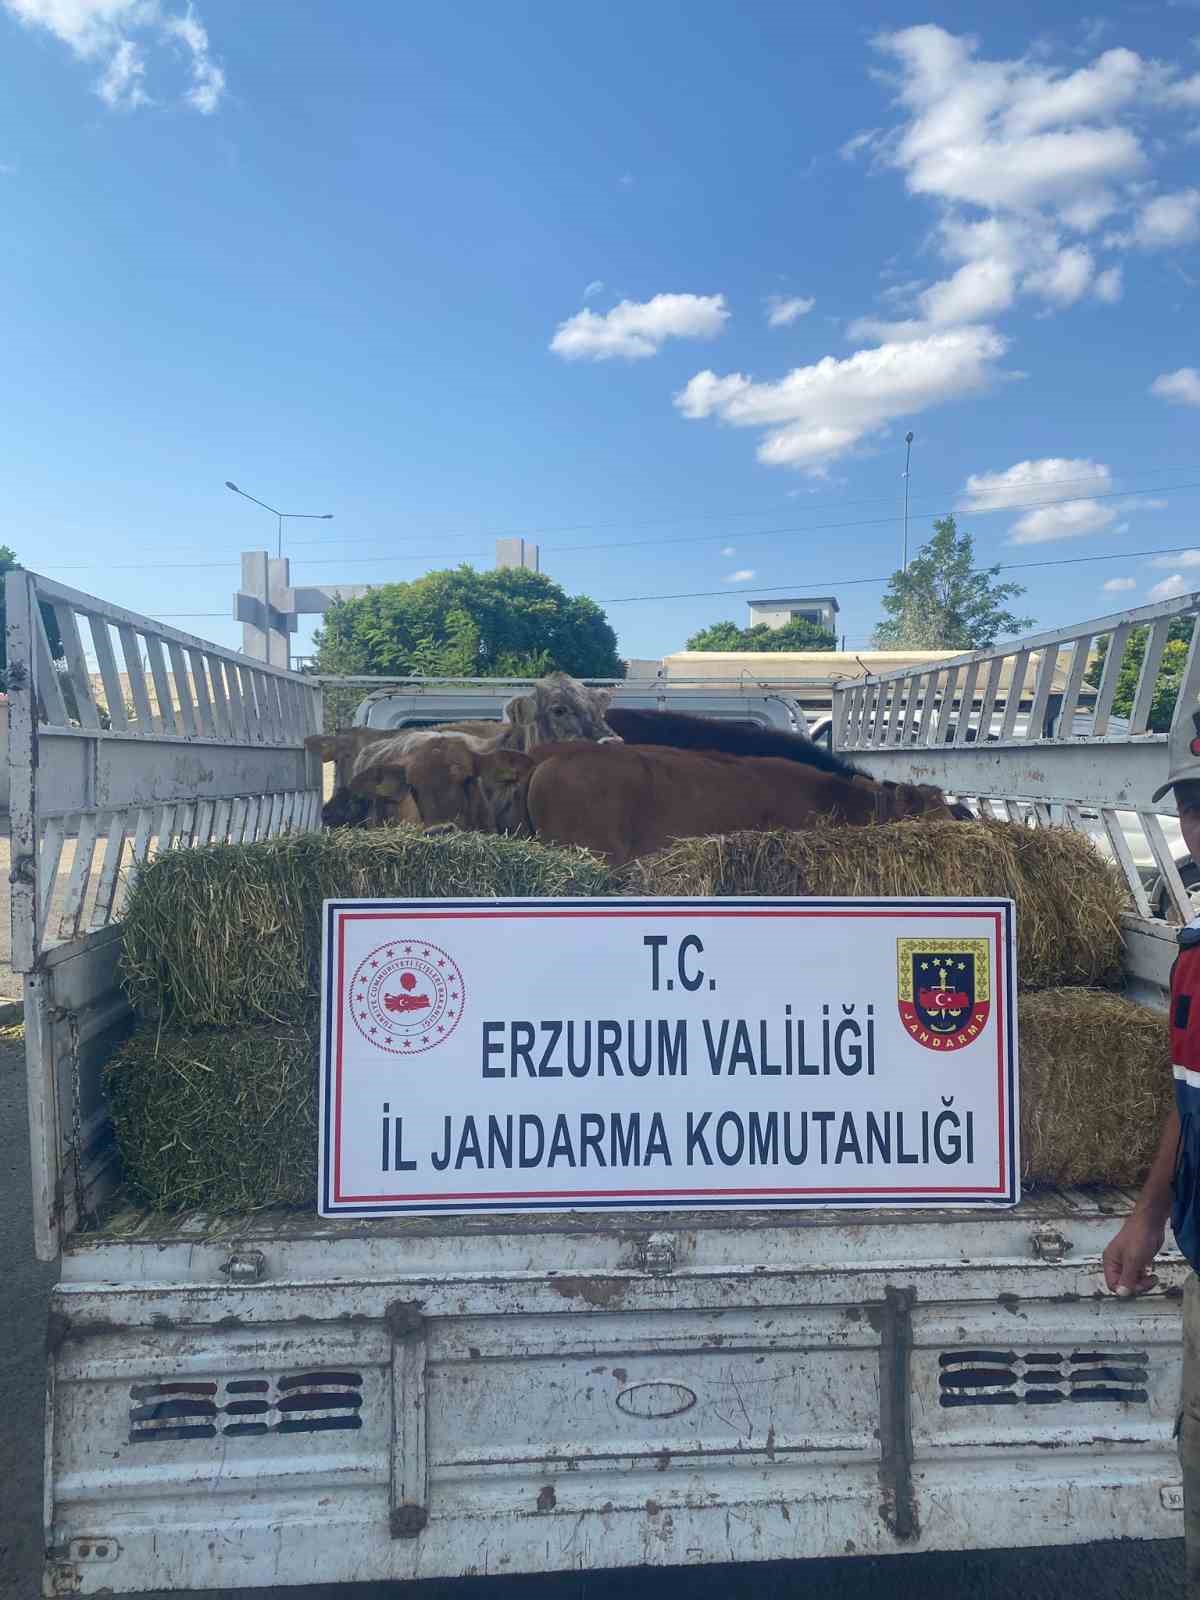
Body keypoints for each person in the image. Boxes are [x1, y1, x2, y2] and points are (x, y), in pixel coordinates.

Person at [1103, 756, 1200, 1588]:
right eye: (1194, 807)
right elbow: (1187, 1091)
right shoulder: (1192, 955)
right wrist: (1150, 1209)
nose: (1199, 827)